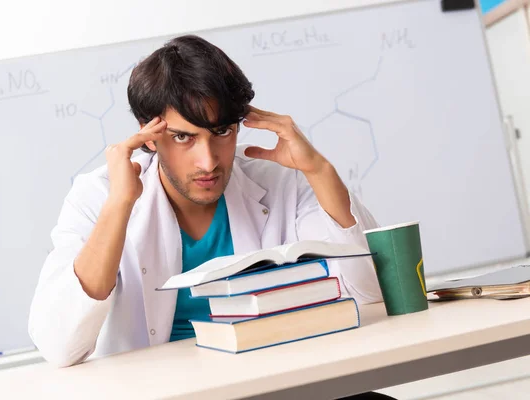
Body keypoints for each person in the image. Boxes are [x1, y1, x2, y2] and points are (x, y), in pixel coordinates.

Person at [28, 35, 383, 369]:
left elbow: (370, 292)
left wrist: (319, 170)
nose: (208, 161)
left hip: (272, 378)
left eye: (221, 133)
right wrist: (120, 205)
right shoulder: (99, 196)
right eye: (183, 137)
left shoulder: (279, 179)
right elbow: (60, 346)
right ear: (148, 135)